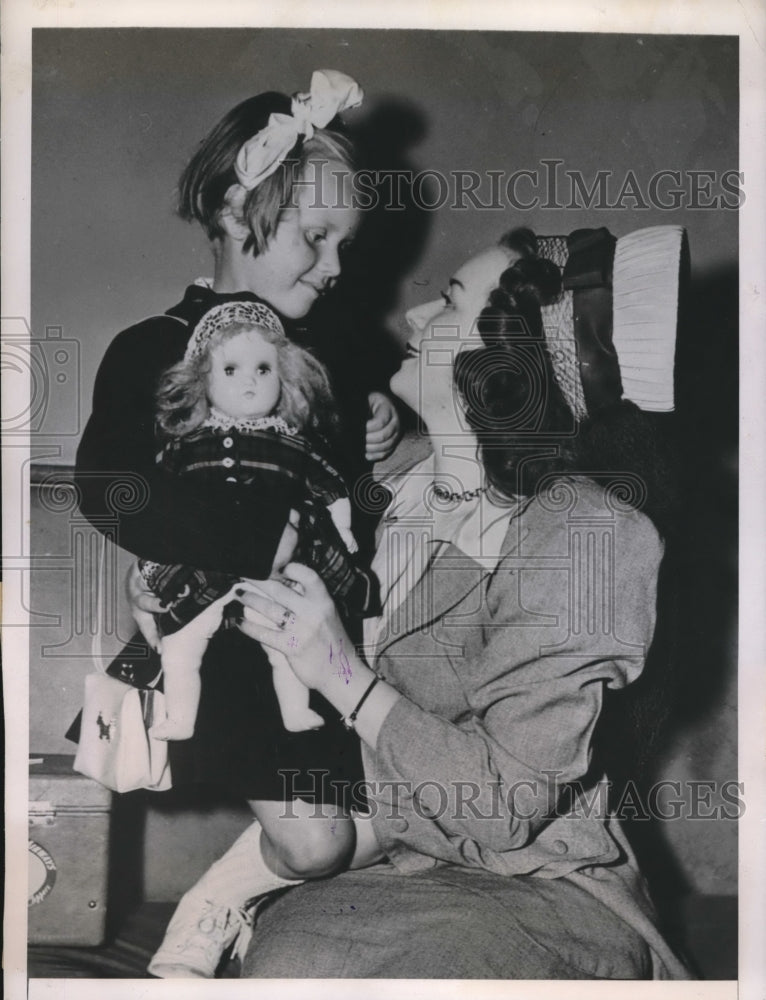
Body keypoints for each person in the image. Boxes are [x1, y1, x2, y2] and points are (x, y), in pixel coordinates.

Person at [231, 226, 691, 979]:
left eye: (447, 305)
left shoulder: (590, 535)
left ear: (508, 361)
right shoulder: (390, 481)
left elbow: (508, 807)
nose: (415, 319)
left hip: (544, 887)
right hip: (397, 865)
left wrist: (343, 676)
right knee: (283, 954)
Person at [74, 69, 400, 977]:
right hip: (229, 639)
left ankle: (239, 907)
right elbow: (110, 488)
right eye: (316, 238)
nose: (336, 269)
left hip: (341, 634)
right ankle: (216, 903)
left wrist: (385, 426)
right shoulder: (149, 348)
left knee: (432, 801)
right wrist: (220, 543)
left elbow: (356, 491)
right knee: (315, 847)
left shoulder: (331, 359)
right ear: (231, 207)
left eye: (344, 245)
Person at [140, 299, 370, 741]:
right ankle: (181, 717)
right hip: (202, 562)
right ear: (200, 380)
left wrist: (342, 526)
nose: (249, 380)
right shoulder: (187, 443)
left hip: (272, 562)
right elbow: (158, 498)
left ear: (285, 377)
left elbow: (327, 484)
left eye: (263, 369)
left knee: (283, 640)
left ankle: (295, 709)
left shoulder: (291, 443)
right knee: (181, 643)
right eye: (230, 370)